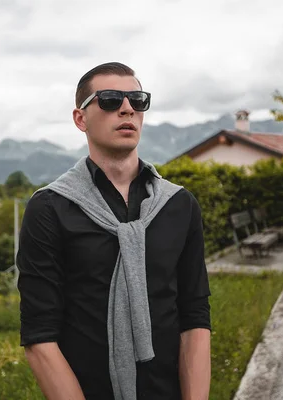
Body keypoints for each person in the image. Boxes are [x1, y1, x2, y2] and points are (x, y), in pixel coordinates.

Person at [17, 62, 211, 400]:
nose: (127, 108)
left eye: (138, 99)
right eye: (109, 99)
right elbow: (39, 335)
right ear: (81, 119)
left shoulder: (178, 205)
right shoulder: (49, 209)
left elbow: (194, 317)